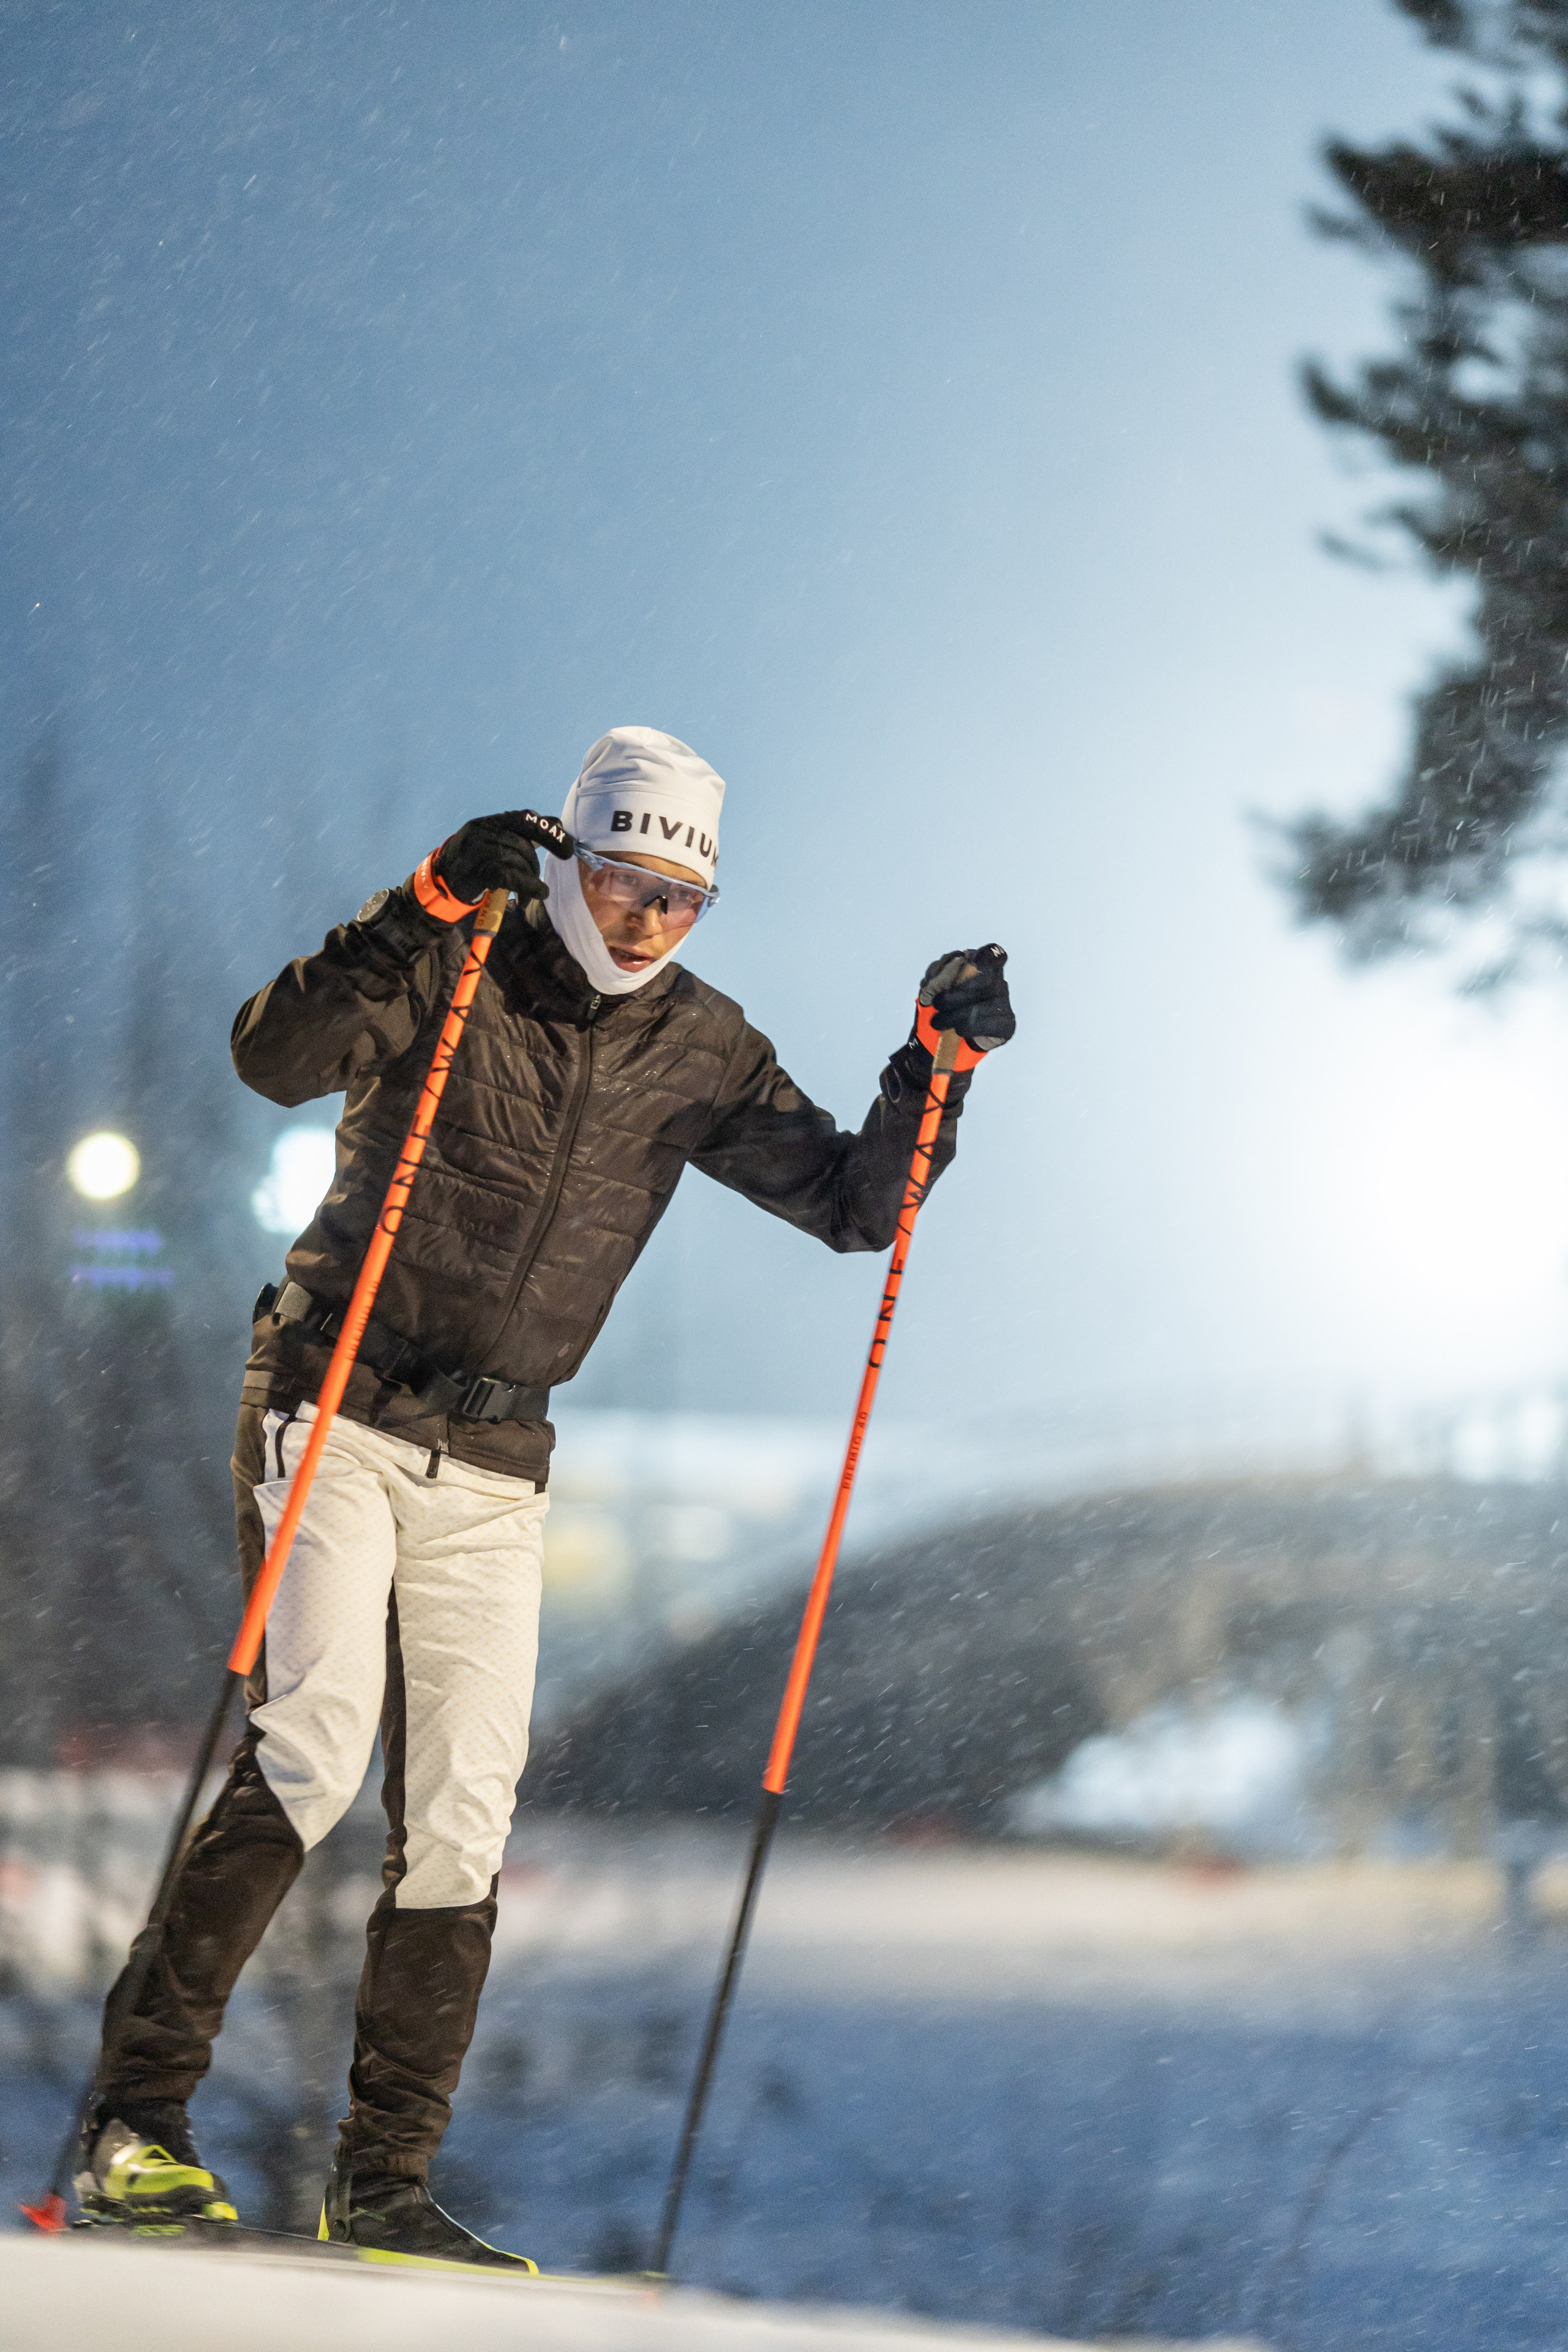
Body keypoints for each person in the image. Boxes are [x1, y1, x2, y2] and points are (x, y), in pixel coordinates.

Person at [78, 727, 1014, 2264]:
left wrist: (936, 1067)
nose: (644, 919)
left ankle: (382, 2180)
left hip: (498, 1457)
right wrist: (423, 902)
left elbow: (859, 1208)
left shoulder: (702, 1045)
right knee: (313, 1750)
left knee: (460, 1812)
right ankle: (138, 2125)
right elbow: (273, 1059)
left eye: (678, 898)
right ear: (572, 858)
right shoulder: (465, 955)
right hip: (339, 1394)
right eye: (622, 880)